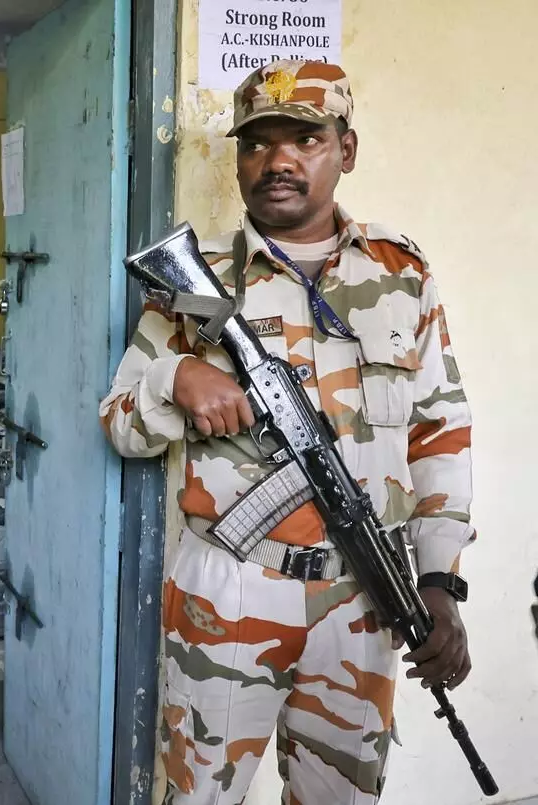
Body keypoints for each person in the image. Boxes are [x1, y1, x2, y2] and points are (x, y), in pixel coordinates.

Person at [100, 61, 475, 804]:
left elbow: (441, 431)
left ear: (346, 149)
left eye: (305, 139)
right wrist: (175, 379)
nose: (277, 161)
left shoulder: (400, 274)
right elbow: (119, 423)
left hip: (365, 595)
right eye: (257, 144)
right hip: (230, 589)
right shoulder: (199, 279)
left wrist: (438, 581)